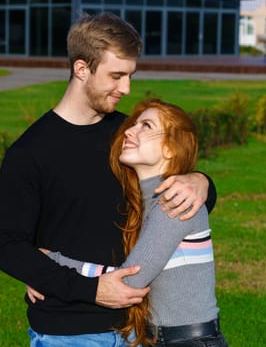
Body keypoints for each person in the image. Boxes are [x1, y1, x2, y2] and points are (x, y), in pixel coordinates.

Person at [0, 12, 216, 346]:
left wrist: (201, 181)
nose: (126, 88)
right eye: (116, 76)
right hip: (68, 331)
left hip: (139, 329)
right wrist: (87, 288)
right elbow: (8, 248)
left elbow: (174, 196)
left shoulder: (127, 137)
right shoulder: (29, 153)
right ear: (81, 69)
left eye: (130, 75)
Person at [45, 98, 228, 347]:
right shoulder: (146, 203)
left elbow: (129, 280)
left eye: (147, 126)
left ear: (170, 149)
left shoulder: (172, 202)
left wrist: (51, 261)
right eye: (134, 125)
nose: (130, 131)